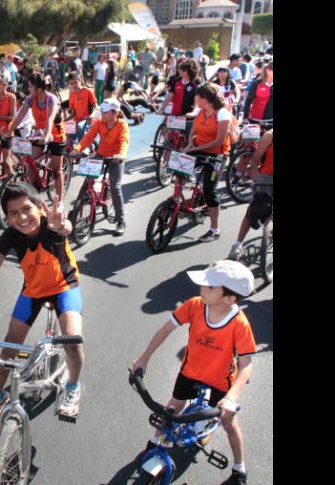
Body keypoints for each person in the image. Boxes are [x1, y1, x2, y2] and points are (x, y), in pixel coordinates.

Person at [0, 184, 84, 427]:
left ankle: (73, 386)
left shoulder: (51, 222)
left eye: (27, 209)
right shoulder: (11, 235)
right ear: (7, 217)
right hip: (33, 291)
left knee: (73, 342)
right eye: (13, 213)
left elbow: (64, 228)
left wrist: (60, 225)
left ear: (40, 208)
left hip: (65, 288)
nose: (22, 217)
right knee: (7, 353)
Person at [132, 259, 257, 485]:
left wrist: (231, 398)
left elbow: (246, 363)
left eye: (209, 286)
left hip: (220, 382)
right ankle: (156, 439)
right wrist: (144, 358)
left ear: (229, 298)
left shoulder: (239, 323)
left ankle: (239, 469)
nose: (202, 288)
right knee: (172, 408)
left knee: (229, 422)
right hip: (191, 371)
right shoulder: (195, 305)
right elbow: (166, 329)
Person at [5, 73, 68, 202]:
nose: (29, 89)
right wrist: (9, 132)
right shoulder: (30, 99)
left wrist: (48, 134)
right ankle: (35, 192)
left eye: (30, 87)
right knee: (30, 162)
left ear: (39, 88)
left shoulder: (51, 99)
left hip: (55, 134)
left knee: (56, 171)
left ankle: (59, 201)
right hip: (40, 133)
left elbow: (50, 119)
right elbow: (19, 117)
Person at [73, 99, 130, 235]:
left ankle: (121, 220)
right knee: (88, 181)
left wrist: (121, 155)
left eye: (105, 112)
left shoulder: (122, 125)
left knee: (115, 186)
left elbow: (124, 141)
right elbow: (88, 137)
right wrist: (77, 149)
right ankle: (76, 209)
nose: (102, 114)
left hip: (116, 158)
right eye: (102, 111)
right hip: (101, 154)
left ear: (115, 113)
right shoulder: (99, 123)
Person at [185, 84, 232, 243]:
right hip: (200, 148)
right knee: (179, 167)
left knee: (210, 190)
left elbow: (219, 140)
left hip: (217, 154)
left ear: (204, 98)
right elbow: (194, 130)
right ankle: (179, 202)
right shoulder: (200, 111)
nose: (195, 99)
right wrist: (190, 144)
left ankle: (214, 229)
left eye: (197, 97)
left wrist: (196, 148)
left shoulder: (222, 113)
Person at [227, 129, 273, 261]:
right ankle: (237, 245)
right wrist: (254, 174)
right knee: (254, 208)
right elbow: (256, 158)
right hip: (266, 177)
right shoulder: (269, 136)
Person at [66, 71, 97, 144]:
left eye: (75, 82)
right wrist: (64, 120)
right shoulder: (72, 95)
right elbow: (73, 113)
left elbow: (96, 107)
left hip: (87, 120)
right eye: (71, 83)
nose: (74, 85)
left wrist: (91, 116)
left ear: (80, 80)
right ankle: (71, 149)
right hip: (77, 120)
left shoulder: (88, 91)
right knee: (66, 129)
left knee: (79, 126)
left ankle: (82, 147)